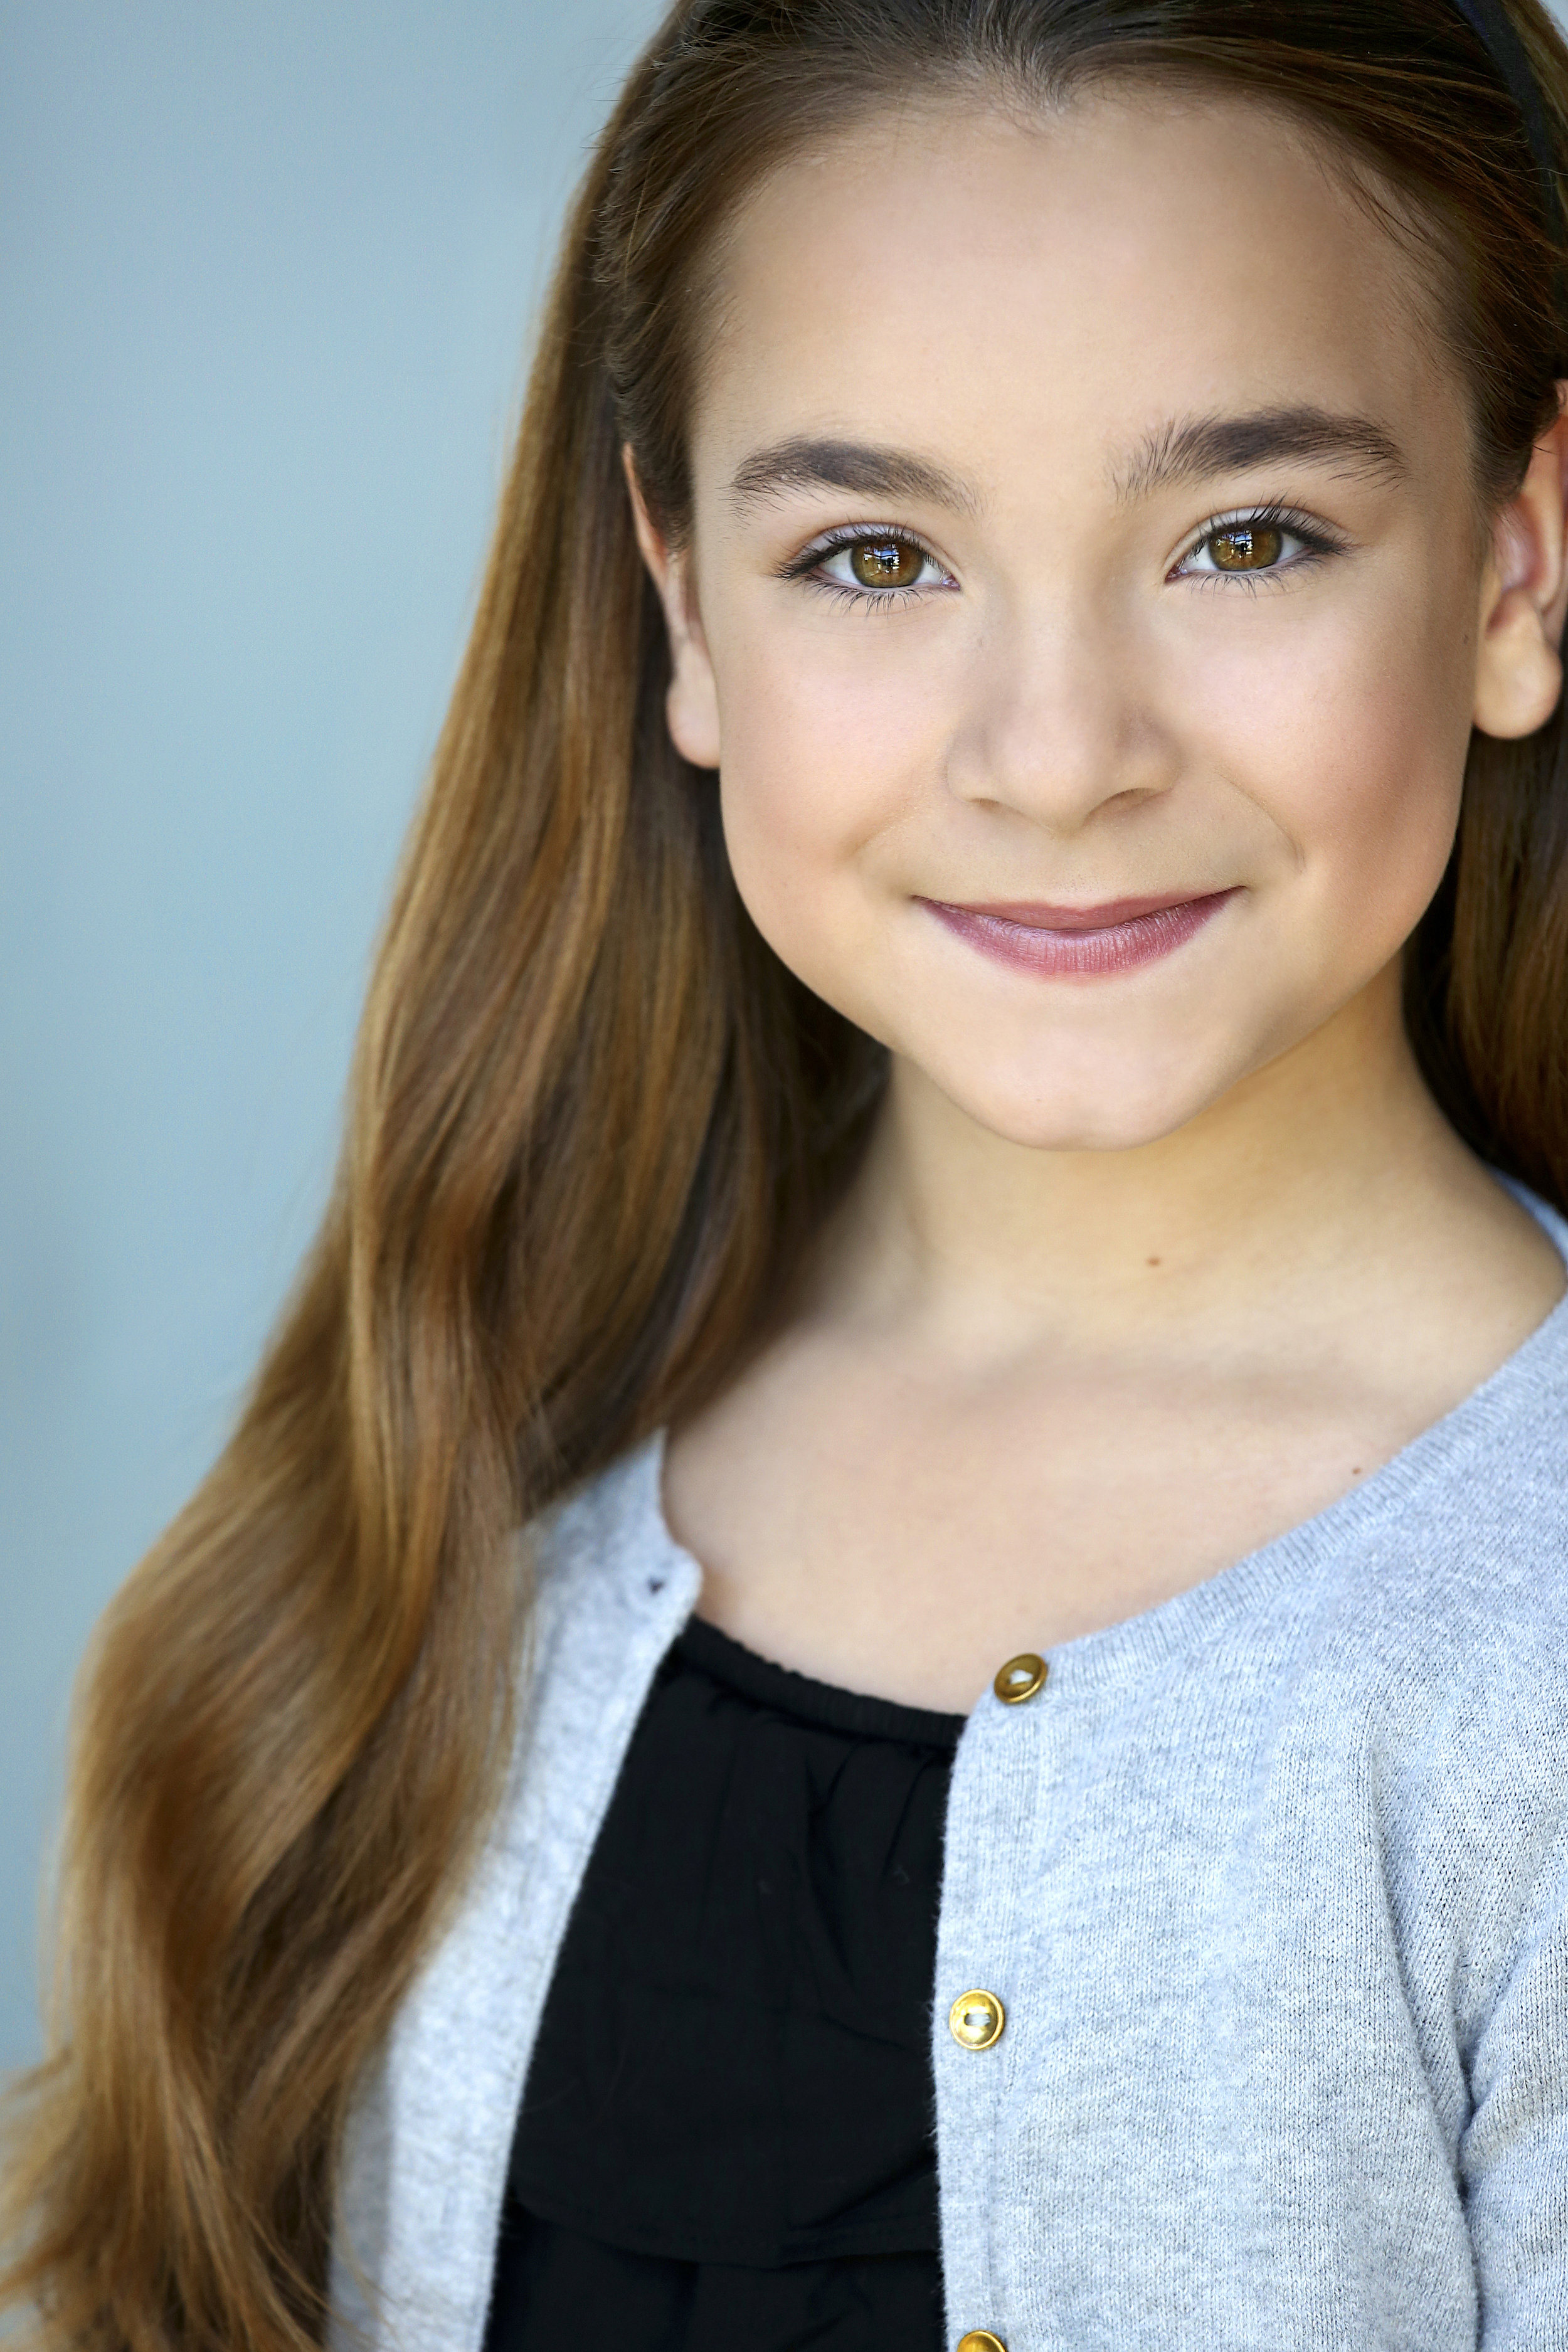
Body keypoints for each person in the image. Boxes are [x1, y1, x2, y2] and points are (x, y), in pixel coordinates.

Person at [8, 0, 1568, 2344]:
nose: (1056, 756)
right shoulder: (485, 1453)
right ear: (680, 607)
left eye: (1245, 537)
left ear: (1514, 571)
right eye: (868, 556)